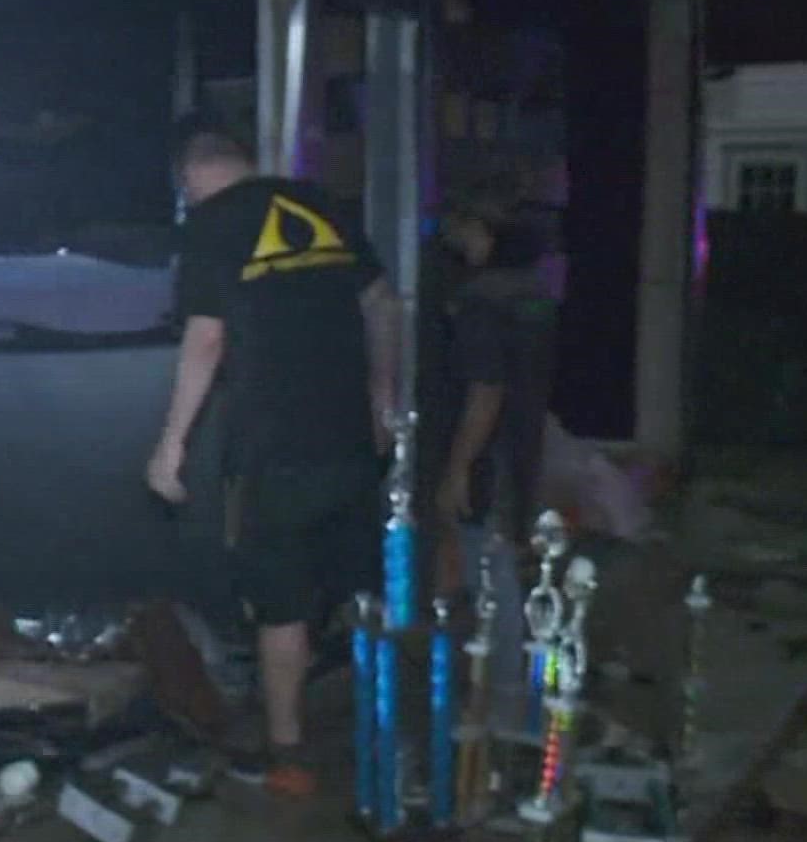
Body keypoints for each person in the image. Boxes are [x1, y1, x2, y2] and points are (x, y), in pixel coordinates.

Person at [146, 129, 400, 798]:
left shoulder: (209, 225)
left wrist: (171, 444)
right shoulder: (320, 204)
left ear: (191, 182)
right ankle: (390, 734)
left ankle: (288, 753)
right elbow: (381, 302)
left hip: (272, 446)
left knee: (281, 604)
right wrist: (384, 397)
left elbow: (205, 338)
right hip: (349, 437)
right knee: (363, 586)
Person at [431, 173, 559, 727]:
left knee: (496, 574)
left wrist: (457, 468)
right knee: (514, 571)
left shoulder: (481, 304)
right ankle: (530, 695)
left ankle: (507, 709)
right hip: (524, 447)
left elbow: (484, 392)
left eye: (462, 228)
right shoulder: (533, 294)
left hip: (493, 459)